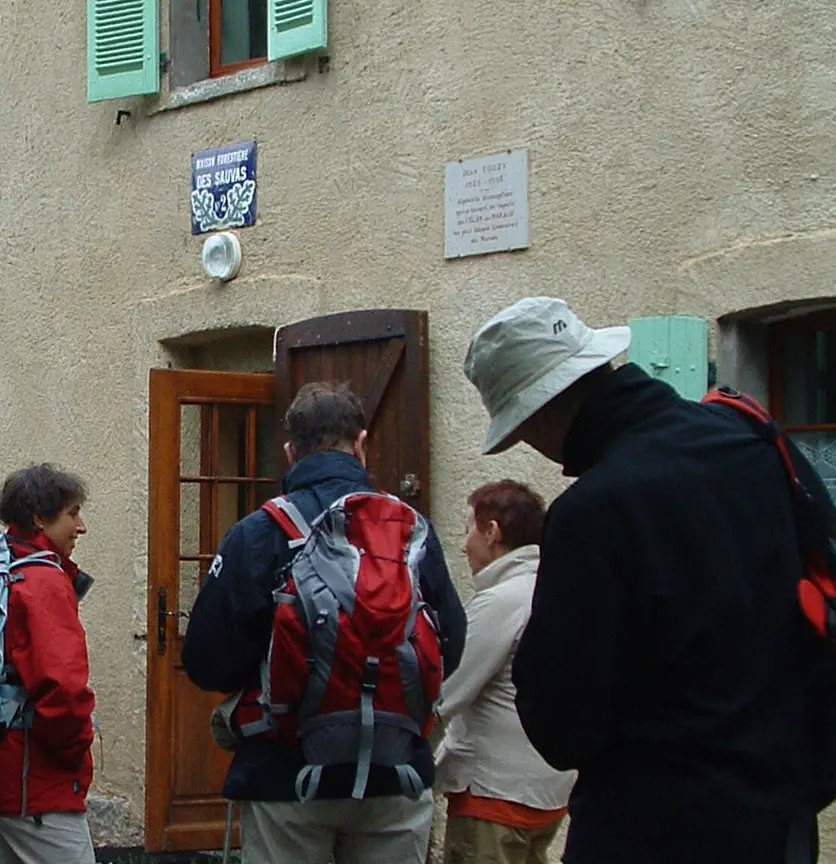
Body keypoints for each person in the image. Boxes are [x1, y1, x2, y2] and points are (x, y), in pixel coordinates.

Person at [463, 296, 836, 864]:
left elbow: (561, 725)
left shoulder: (595, 509)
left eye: (521, 433)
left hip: (654, 824)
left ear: (542, 412)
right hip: (780, 816)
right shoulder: (749, 439)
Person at [182, 382, 466, 864]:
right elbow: (451, 645)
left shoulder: (260, 532)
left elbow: (207, 662)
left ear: (291, 452)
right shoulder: (411, 533)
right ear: (361, 442)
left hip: (286, 773)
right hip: (393, 775)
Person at [0, 464, 97, 864]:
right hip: (32, 777)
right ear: (38, 518)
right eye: (72, 513)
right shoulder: (43, 582)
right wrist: (75, 754)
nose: (80, 526)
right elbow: (63, 689)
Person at [434, 480, 575, 864]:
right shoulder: (556, 590)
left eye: (468, 530)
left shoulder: (501, 601)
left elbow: (445, 693)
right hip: (549, 790)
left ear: (492, 531)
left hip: (494, 792)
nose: (463, 545)